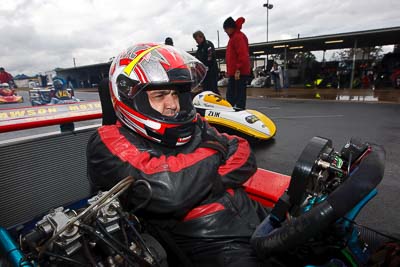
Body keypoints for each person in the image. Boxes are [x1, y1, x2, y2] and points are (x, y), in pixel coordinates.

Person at [87, 43, 268, 266]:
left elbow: (242, 149)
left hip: (253, 214)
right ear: (131, 96)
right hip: (210, 241)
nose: (172, 105)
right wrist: (215, 150)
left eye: (175, 93)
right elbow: (169, 191)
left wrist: (203, 182)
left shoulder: (191, 122)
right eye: (160, 95)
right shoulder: (108, 139)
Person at [223, 16, 251, 109]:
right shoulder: (235, 37)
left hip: (238, 72)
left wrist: (238, 69)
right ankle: (236, 109)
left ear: (230, 28)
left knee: (236, 95)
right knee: (234, 94)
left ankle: (238, 110)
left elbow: (242, 54)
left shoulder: (237, 37)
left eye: (226, 29)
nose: (225, 32)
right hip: (235, 72)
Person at [193, 30, 220, 94]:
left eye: (197, 39)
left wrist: (206, 66)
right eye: (195, 40)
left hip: (211, 72)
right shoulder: (199, 49)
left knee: (213, 90)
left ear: (201, 37)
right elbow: (196, 60)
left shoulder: (208, 44)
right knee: (206, 91)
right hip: (203, 74)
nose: (196, 41)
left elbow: (210, 56)